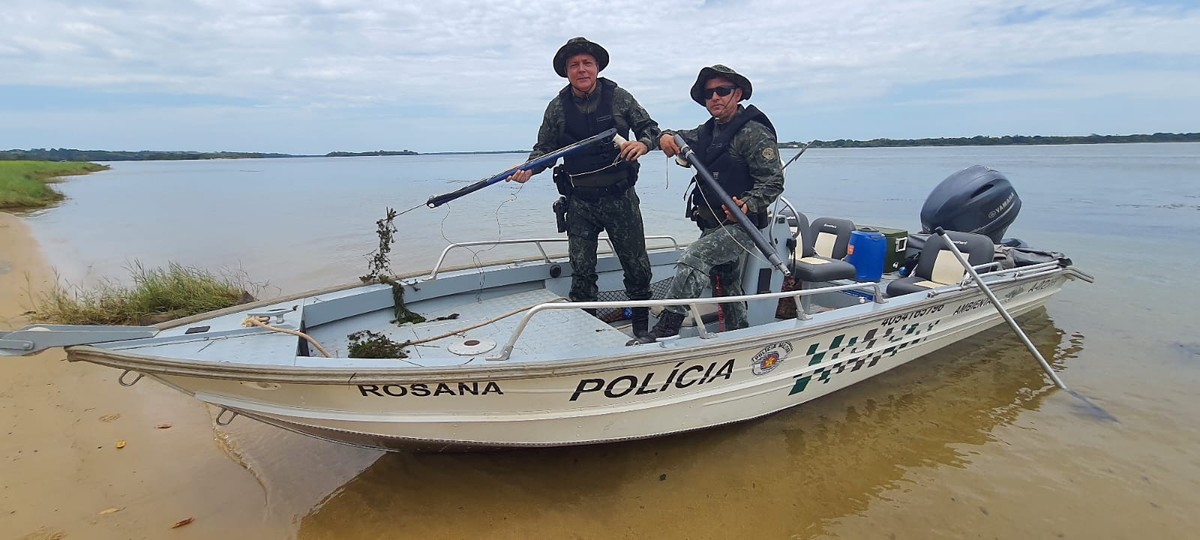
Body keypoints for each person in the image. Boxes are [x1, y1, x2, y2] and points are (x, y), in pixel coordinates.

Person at [508, 37, 661, 338]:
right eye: (574, 65)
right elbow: (544, 151)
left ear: (597, 67)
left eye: (586, 63)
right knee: (581, 273)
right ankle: (586, 334)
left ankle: (642, 331)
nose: (581, 69)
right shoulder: (557, 108)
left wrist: (642, 144)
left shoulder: (620, 98)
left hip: (621, 198)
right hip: (579, 203)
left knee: (637, 268)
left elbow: (651, 129)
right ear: (566, 71)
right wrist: (529, 168)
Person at [631, 64, 784, 345]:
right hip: (711, 223)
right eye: (709, 93)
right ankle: (741, 334)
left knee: (695, 257)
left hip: (742, 226)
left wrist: (748, 203)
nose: (714, 97)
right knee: (727, 283)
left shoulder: (754, 133)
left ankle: (668, 325)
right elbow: (673, 135)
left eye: (722, 91)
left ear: (737, 94)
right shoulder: (706, 132)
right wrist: (664, 135)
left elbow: (773, 182)